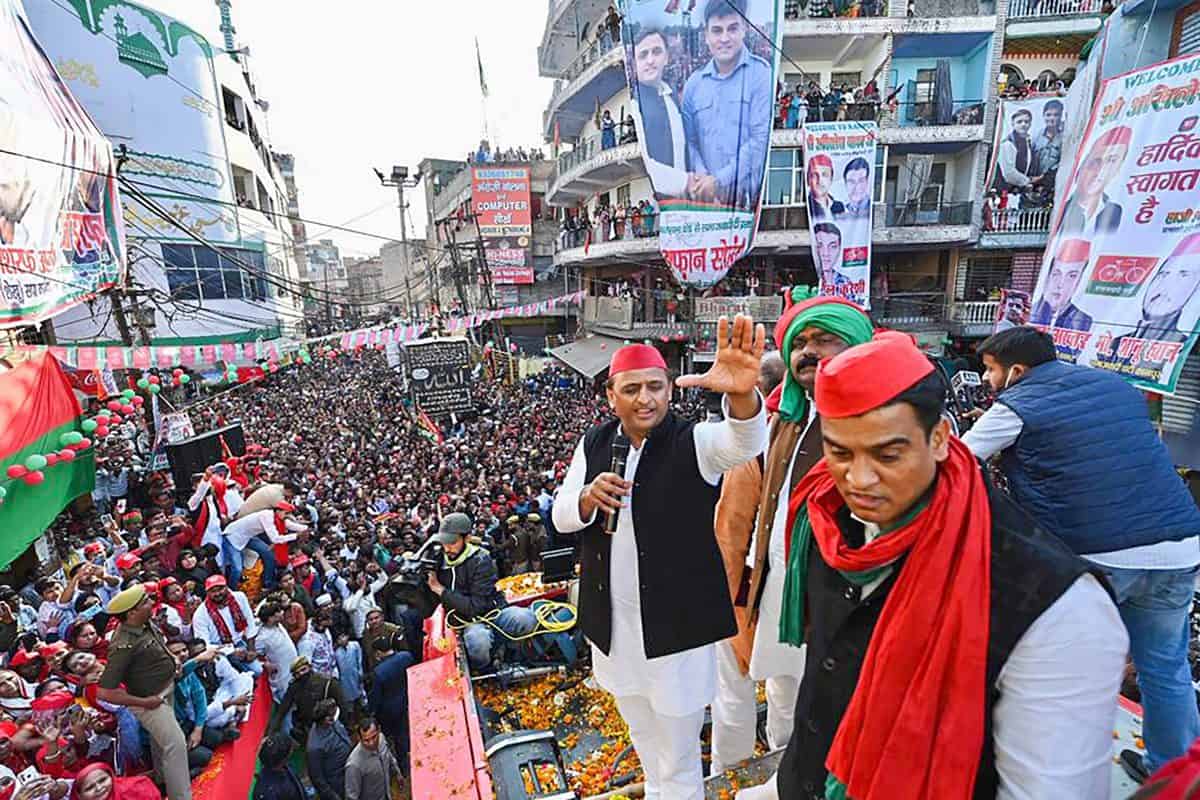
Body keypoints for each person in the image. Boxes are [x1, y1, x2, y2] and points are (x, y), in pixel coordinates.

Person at [741, 331, 1129, 800]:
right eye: (840, 452)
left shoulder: (1057, 607)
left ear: (941, 437)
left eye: (888, 454)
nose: (858, 480)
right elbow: (823, 695)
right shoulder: (824, 522)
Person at [962, 326, 1200, 783]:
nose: (988, 381)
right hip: (1178, 544)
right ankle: (1173, 777)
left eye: (990, 371)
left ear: (1016, 370)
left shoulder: (1016, 405)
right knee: (1165, 667)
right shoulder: (1117, 386)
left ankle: (1054, 779)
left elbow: (959, 459)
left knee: (1063, 665)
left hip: (1100, 554)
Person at [553, 317, 769, 800]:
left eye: (655, 387)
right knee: (642, 736)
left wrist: (740, 398)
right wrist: (588, 497)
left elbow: (744, 442)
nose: (645, 398)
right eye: (633, 389)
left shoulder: (694, 440)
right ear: (611, 396)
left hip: (675, 633)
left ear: (670, 391)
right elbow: (563, 515)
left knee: (678, 753)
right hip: (616, 629)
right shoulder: (593, 444)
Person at [711, 291, 873, 773]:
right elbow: (737, 514)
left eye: (824, 340)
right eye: (799, 343)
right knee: (784, 699)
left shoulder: (887, 420)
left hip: (853, 605)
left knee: (839, 715)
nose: (808, 351)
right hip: (780, 593)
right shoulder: (787, 420)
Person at [97, 584, 192, 800]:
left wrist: (172, 658)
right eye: (146, 601)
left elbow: (158, 643)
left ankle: (162, 779)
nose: (151, 602)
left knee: (160, 743)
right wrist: (143, 702)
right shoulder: (122, 645)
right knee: (176, 745)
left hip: (165, 689)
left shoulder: (144, 622)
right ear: (131, 613)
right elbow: (104, 692)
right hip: (149, 701)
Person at [681, 0, 773, 207]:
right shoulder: (693, 85)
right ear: (706, 35)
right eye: (717, 30)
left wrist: (719, 180)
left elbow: (759, 141)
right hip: (704, 202)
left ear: (744, 29)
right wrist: (703, 178)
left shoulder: (761, 74)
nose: (724, 38)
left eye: (732, 29)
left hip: (746, 205)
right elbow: (690, 142)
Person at [424, 513, 538, 669]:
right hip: (465, 622)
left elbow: (475, 607)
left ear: (467, 538)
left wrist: (440, 590)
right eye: (444, 542)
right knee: (478, 640)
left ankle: (514, 651)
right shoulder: (437, 559)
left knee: (525, 617)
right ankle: (484, 667)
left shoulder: (481, 559)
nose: (447, 548)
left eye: (452, 542)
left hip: (490, 612)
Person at [1099, 232, 1200, 374]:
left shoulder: (1185, 348)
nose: (1165, 286)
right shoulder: (1112, 344)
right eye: (1163, 274)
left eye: (1183, 275)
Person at [1058, 125, 1130, 237]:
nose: (1100, 170)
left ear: (1118, 168)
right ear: (1082, 166)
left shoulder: (1116, 211)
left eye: (1111, 161)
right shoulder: (1063, 212)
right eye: (1095, 162)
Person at [221, 502, 306, 590]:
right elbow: (275, 539)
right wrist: (296, 536)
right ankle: (232, 589)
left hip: (247, 537)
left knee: (269, 554)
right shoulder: (267, 516)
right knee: (237, 569)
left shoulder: (278, 517)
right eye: (286, 513)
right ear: (278, 511)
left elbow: (289, 525)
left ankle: (267, 583)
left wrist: (306, 529)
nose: (287, 516)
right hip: (233, 537)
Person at [189, 575, 260, 677]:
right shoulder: (200, 614)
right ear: (207, 593)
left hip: (240, 643)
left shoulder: (239, 597)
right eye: (213, 591)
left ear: (226, 587)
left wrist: (251, 649)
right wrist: (230, 651)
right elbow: (203, 645)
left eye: (220, 589)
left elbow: (250, 624)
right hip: (218, 651)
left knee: (257, 670)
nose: (217, 593)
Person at [366, 631, 414, 767]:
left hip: (391, 712)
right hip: (410, 701)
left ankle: (405, 766)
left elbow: (376, 697)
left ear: (378, 653)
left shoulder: (378, 672)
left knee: (400, 739)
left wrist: (373, 713)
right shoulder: (406, 656)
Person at [1029, 238, 1094, 332]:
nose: (1060, 284)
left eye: (1071, 276)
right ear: (1048, 275)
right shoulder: (1030, 311)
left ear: (1080, 280)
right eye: (1056, 274)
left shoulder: (1083, 319)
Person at [344, 718, 403, 800]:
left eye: (374, 737)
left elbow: (389, 756)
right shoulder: (354, 765)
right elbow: (351, 797)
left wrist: (397, 773)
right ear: (359, 738)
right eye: (366, 740)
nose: (371, 743)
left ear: (379, 730)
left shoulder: (382, 739)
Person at [306, 698, 353, 800]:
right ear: (326, 720)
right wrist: (333, 797)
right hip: (337, 786)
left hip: (350, 775)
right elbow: (318, 779)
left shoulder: (331, 723)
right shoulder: (315, 747)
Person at [994, 107, 1038, 192]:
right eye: (1019, 122)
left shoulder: (1028, 142)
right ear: (1013, 124)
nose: (1023, 124)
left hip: (1019, 190)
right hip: (1005, 191)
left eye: (1026, 121)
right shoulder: (1008, 144)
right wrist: (1028, 181)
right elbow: (1009, 174)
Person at [252, 734, 306, 800]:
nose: (292, 750)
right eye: (290, 749)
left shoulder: (283, 766)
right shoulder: (267, 794)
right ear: (284, 759)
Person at [69, 763, 159, 800]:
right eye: (89, 788)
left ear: (111, 776)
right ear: (79, 796)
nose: (99, 788)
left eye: (103, 780)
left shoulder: (137, 788)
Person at [1032, 99, 1063, 187]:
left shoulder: (1066, 137)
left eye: (1056, 115)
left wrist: (1044, 177)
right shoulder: (1036, 138)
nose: (1052, 118)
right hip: (1035, 184)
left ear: (1061, 116)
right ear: (1043, 116)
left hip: (1056, 184)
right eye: (1048, 115)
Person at [805, 155, 844, 220]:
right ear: (808, 180)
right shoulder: (807, 206)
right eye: (815, 175)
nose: (820, 181)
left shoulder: (839, 206)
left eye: (825, 175)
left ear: (831, 179)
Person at [812, 223, 847, 292]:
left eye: (832, 246)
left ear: (839, 248)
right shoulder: (811, 281)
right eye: (820, 246)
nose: (826, 253)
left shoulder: (847, 283)